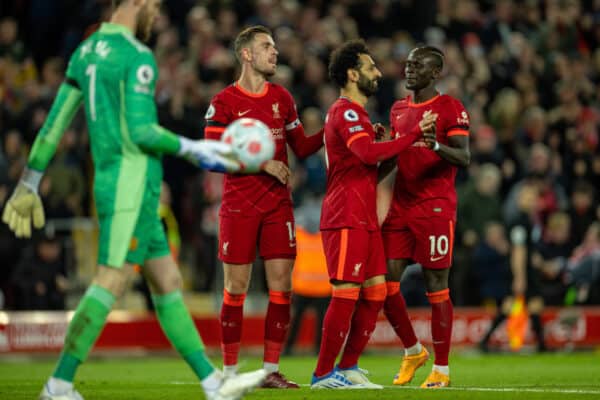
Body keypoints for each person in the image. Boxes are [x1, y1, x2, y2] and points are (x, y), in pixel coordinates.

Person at [2, 1, 266, 399]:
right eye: (156, 6)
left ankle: (214, 384)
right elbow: (142, 131)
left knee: (167, 280)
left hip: (115, 181)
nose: (158, 15)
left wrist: (29, 182)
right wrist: (199, 150)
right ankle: (58, 385)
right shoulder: (137, 56)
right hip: (132, 184)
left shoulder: (86, 52)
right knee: (112, 278)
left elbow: (53, 124)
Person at [311, 39, 436, 389]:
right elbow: (366, 154)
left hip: (364, 216)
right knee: (346, 292)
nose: (378, 73)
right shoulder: (344, 111)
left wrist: (390, 150)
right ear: (353, 74)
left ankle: (348, 366)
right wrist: (410, 136)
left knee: (377, 292)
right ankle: (322, 373)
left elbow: (371, 166)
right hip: (345, 215)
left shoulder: (360, 117)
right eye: (370, 67)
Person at [204, 25, 324, 389]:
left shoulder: (283, 98)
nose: (275, 52)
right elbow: (211, 156)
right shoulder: (224, 102)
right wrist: (261, 164)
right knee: (236, 288)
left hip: (277, 207)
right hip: (240, 206)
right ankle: (228, 374)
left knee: (281, 288)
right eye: (266, 46)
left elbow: (300, 147)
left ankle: (270, 370)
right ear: (246, 54)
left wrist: (333, 129)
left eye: (274, 46)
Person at [379, 45, 470, 388]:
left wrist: (433, 145)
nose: (409, 69)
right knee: (383, 283)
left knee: (436, 287)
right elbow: (393, 156)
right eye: (408, 63)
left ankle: (442, 371)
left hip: (435, 208)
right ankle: (413, 350)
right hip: (401, 207)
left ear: (435, 73)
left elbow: (463, 157)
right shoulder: (398, 109)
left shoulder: (450, 107)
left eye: (418, 65)